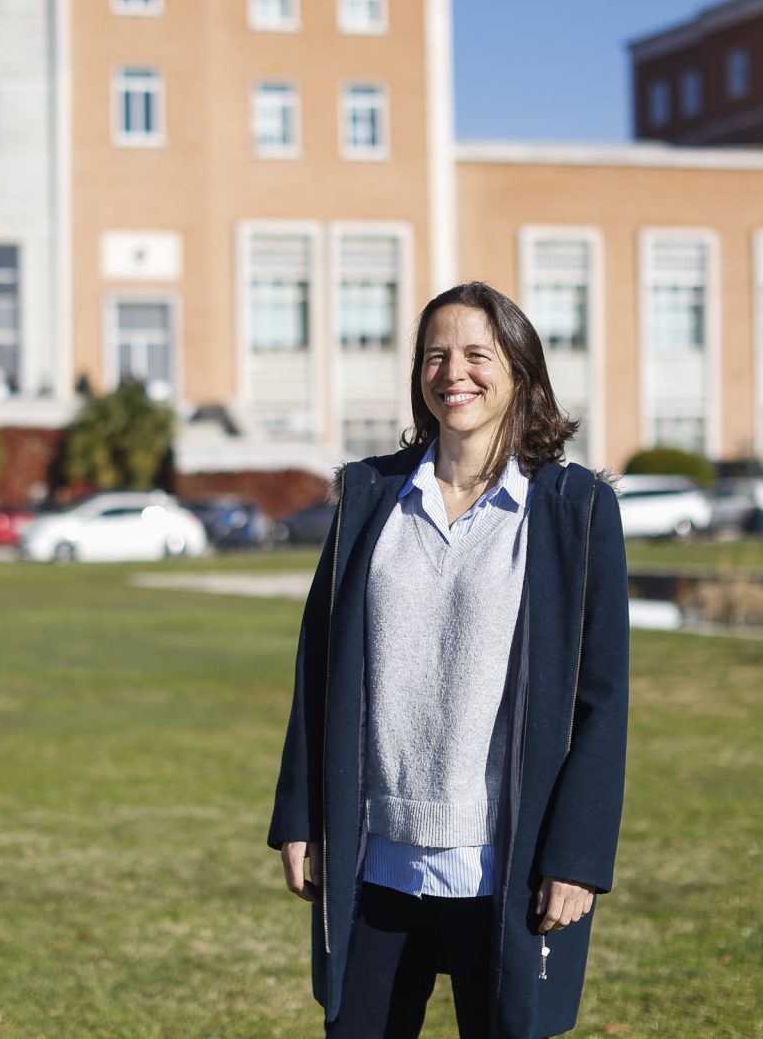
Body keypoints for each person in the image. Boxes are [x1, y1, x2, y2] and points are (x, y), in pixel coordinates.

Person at [269, 281, 632, 1039]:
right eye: (436, 356)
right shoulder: (371, 496)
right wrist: (301, 816)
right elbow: (316, 666)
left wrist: (578, 855)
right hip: (375, 859)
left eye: (476, 354)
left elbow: (601, 700)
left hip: (506, 865)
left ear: (520, 371)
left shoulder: (575, 510)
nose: (453, 373)